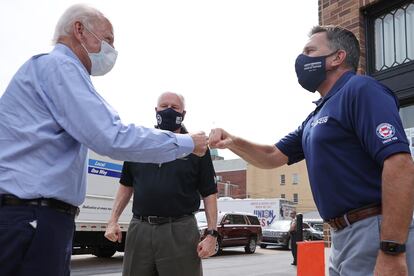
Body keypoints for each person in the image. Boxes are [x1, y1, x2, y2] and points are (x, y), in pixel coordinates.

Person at [0, 4, 208, 276]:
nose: (111, 50)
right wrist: (188, 143)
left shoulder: (52, 71)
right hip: (32, 216)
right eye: (107, 39)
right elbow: (111, 135)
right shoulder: (60, 67)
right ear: (79, 30)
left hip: (37, 216)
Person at [209, 25, 414, 276]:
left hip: (372, 229)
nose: (302, 58)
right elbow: (272, 156)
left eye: (310, 50)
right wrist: (234, 142)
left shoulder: (361, 90)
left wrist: (391, 249)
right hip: (342, 236)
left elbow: (400, 164)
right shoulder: (317, 115)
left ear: (337, 58)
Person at [104, 92, 218, 276]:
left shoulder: (197, 148)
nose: (169, 111)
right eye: (164, 106)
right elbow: (126, 185)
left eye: (175, 107)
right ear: (156, 110)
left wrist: (212, 234)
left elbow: (210, 193)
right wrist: (112, 221)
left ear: (184, 113)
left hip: (179, 230)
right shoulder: (139, 144)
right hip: (140, 229)